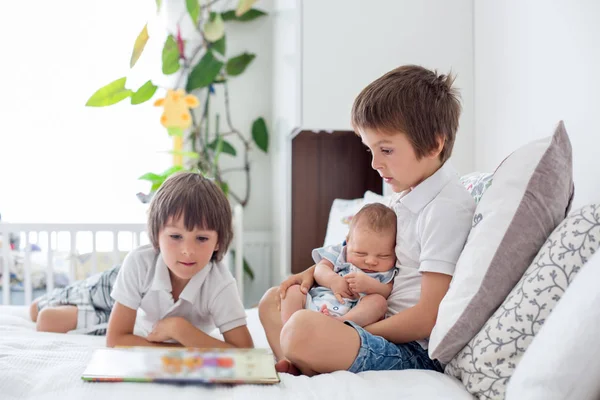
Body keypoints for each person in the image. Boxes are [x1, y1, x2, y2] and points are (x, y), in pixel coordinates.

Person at [258, 64, 476, 376]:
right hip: (368, 318)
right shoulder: (405, 197)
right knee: (271, 300)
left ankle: (305, 356)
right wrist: (310, 274)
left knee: (302, 329)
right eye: (370, 149)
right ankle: (297, 363)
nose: (375, 163)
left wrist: (357, 328)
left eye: (386, 149)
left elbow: (428, 316)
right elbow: (352, 251)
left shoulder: (445, 208)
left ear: (433, 144)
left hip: (408, 347)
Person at [30, 172, 253, 349]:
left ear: (217, 242)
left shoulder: (220, 283)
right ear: (157, 235)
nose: (187, 251)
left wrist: (179, 330)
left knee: (48, 320)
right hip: (112, 288)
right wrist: (181, 341)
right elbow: (116, 339)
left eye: (202, 238)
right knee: (38, 313)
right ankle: (117, 311)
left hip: (138, 313)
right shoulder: (139, 262)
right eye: (175, 236)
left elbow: (244, 352)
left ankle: (117, 314)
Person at [281, 203, 398, 328]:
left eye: (383, 256)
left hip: (352, 316)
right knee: (293, 291)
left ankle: (340, 323)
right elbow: (320, 269)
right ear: (347, 242)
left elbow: (388, 291)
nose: (370, 261)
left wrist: (370, 286)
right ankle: (290, 329)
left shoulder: (386, 271)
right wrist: (333, 281)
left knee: (379, 302)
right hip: (314, 305)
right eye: (360, 253)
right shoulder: (339, 252)